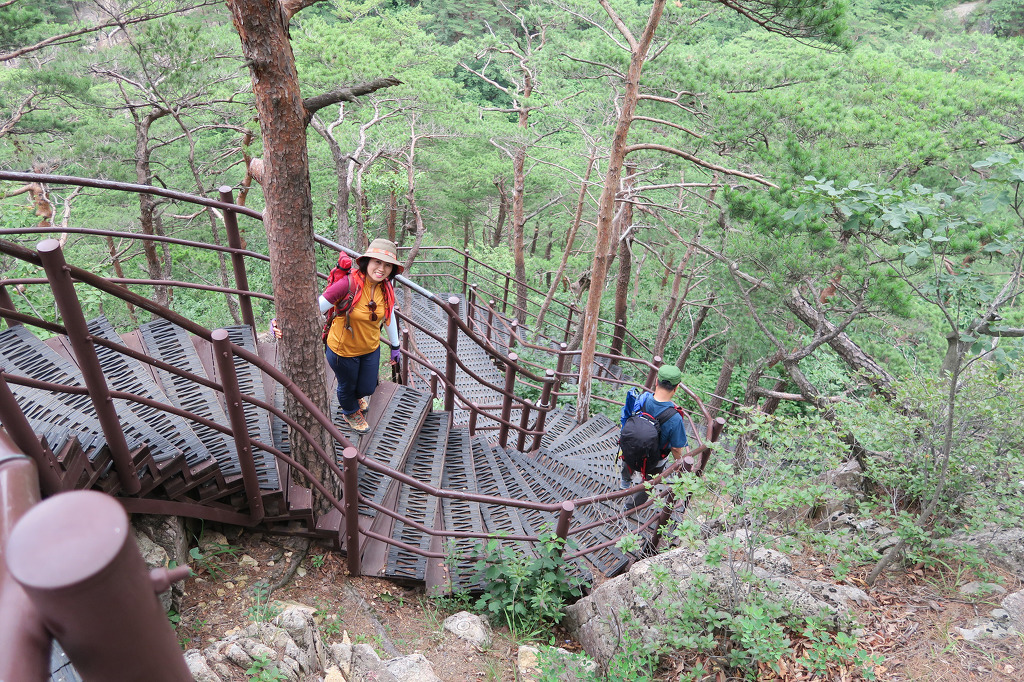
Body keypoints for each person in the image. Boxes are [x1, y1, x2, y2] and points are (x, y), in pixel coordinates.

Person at [319, 238, 403, 434]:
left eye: (387, 265)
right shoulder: (347, 284)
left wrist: (395, 345)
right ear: (367, 261)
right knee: (347, 385)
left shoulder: (386, 288)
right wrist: (281, 321)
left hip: (370, 347)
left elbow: (388, 314)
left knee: (367, 387)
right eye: (377, 262)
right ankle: (350, 412)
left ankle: (355, 398)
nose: (381, 269)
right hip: (342, 350)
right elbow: (315, 305)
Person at [619, 364, 688, 510]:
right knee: (649, 483)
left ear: (656, 381)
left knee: (629, 456)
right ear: (676, 388)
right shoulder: (675, 418)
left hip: (631, 448)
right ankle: (630, 506)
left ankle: (625, 481)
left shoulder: (642, 398)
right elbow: (676, 448)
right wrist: (679, 465)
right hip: (654, 460)